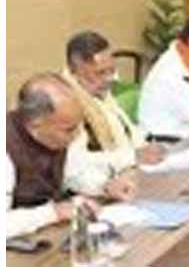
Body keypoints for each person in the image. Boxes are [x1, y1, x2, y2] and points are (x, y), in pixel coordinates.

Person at [6, 74, 124, 238]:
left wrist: (105, 186)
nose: (76, 135)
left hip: (46, 235)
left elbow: (72, 173)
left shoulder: (55, 134)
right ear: (36, 124)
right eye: (69, 130)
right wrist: (54, 212)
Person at [62, 31, 164, 194]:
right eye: (100, 73)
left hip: (130, 177)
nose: (110, 79)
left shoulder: (100, 93)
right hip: (96, 190)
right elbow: (74, 167)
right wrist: (131, 157)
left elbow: (129, 132)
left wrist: (148, 148)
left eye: (112, 70)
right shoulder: (66, 104)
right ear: (75, 72)